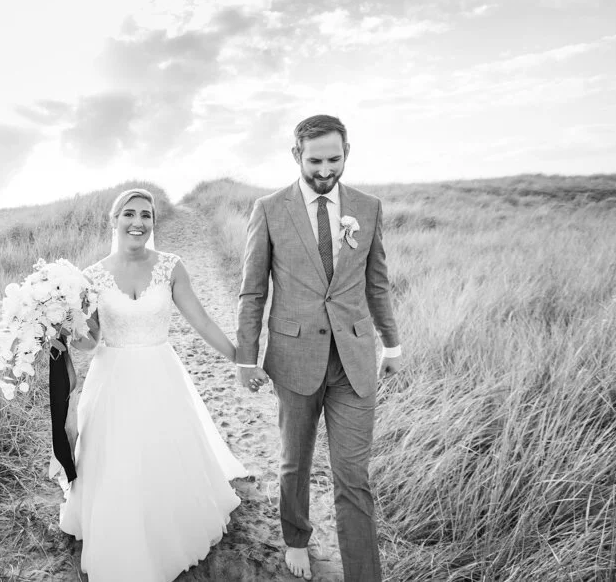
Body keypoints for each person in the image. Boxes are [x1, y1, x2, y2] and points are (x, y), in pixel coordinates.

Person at [234, 115, 403, 581]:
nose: (325, 169)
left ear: (347, 151)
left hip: (354, 361)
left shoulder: (367, 207)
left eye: (334, 158)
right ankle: (296, 538)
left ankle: (364, 575)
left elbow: (377, 282)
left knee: (353, 476)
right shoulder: (269, 209)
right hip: (294, 359)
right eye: (315, 160)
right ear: (296, 156)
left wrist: (392, 343)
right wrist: (247, 357)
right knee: (295, 462)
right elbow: (253, 290)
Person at [59, 188, 247, 582]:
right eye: (129, 214)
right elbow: (90, 340)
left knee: (163, 450)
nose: (138, 222)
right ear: (114, 220)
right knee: (116, 457)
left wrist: (239, 358)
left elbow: (203, 322)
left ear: (153, 223)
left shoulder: (171, 267)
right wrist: (56, 327)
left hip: (160, 374)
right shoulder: (92, 277)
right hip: (111, 378)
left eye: (146, 215)